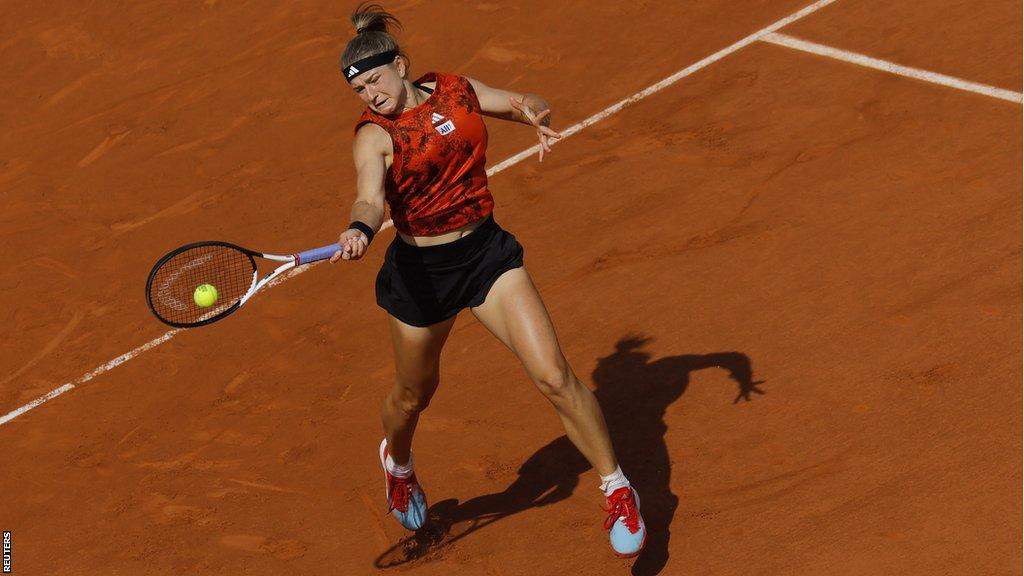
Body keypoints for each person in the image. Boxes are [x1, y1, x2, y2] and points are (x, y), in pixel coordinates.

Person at [328, 3, 646, 557]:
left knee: (553, 374)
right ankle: (397, 463)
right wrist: (359, 226)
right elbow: (368, 194)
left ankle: (617, 488)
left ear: (400, 65)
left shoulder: (454, 89)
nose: (370, 95)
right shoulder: (373, 135)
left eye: (375, 80)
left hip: (486, 256)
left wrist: (536, 114)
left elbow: (519, 101)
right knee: (412, 396)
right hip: (422, 277)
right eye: (360, 90)